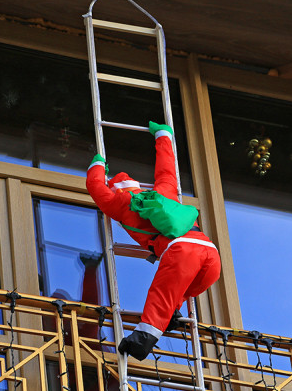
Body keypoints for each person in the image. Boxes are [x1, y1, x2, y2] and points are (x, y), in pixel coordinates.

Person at [86, 121, 221, 360]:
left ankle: (142, 340)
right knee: (178, 290)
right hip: (210, 253)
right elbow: (167, 169)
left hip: (181, 250)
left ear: (116, 190)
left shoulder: (120, 204)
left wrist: (97, 165)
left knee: (162, 292)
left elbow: (95, 187)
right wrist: (163, 135)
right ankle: (172, 316)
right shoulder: (162, 194)